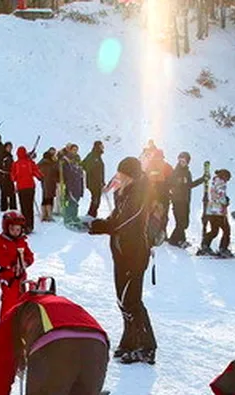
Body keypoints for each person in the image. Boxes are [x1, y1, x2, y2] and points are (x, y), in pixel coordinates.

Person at [88, 157, 156, 364]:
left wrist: (105, 227)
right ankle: (130, 340)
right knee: (122, 300)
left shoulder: (140, 193)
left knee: (131, 300)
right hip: (121, 251)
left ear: (131, 176)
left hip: (135, 252)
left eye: (123, 175)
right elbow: (116, 217)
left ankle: (147, 346)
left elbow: (128, 220)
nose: (119, 179)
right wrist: (98, 225)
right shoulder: (124, 193)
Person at [0, 211, 34, 321]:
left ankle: (19, 322)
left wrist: (25, 262)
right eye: (13, 229)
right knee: (9, 301)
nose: (16, 232)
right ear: (6, 228)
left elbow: (29, 255)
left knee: (21, 300)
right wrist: (10, 265)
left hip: (21, 277)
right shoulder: (1, 241)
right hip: (8, 277)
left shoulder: (22, 241)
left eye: (18, 229)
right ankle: (5, 323)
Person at [167, 152, 204, 249]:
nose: (181, 162)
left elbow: (189, 185)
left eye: (184, 161)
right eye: (180, 160)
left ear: (187, 162)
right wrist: (171, 195)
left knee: (185, 223)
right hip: (178, 201)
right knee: (181, 222)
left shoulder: (187, 173)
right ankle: (176, 240)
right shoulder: (176, 172)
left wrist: (202, 179)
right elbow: (169, 184)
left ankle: (179, 239)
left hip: (185, 200)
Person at [199, 168, 232, 257]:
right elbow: (221, 196)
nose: (227, 181)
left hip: (211, 211)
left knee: (214, 231)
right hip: (219, 212)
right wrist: (226, 201)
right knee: (226, 230)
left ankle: (205, 245)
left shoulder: (214, 181)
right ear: (225, 177)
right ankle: (223, 248)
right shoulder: (221, 183)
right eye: (227, 179)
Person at [11, 146, 42, 233]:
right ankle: (30, 226)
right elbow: (37, 172)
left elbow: (13, 177)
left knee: (23, 207)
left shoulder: (15, 164)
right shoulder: (30, 162)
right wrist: (40, 177)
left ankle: (24, 226)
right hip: (30, 187)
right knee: (30, 207)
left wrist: (17, 178)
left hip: (21, 188)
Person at [59, 144, 85, 230]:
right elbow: (64, 171)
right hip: (69, 183)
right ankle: (68, 217)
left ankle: (74, 215)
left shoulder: (77, 159)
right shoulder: (65, 159)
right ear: (70, 150)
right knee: (70, 200)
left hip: (77, 183)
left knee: (76, 200)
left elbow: (80, 170)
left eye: (76, 150)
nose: (75, 151)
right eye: (73, 149)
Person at [82, 141, 105, 217]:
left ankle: (92, 215)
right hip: (94, 182)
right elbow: (84, 165)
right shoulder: (93, 156)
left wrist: (102, 181)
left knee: (97, 200)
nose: (103, 147)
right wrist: (92, 176)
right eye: (102, 146)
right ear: (98, 146)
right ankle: (91, 215)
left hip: (98, 182)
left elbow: (100, 171)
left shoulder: (97, 156)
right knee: (95, 199)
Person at [39, 148, 59, 223]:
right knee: (49, 198)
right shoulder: (51, 163)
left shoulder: (42, 163)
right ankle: (49, 215)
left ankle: (44, 214)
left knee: (45, 197)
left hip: (45, 182)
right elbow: (57, 172)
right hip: (50, 182)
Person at [0, 141, 17, 211]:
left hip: (10, 176)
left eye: (11, 147)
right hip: (3, 176)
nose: (10, 149)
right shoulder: (1, 155)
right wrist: (5, 172)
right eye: (8, 147)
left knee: (12, 192)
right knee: (4, 192)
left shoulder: (10, 156)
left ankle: (13, 207)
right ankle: (4, 207)